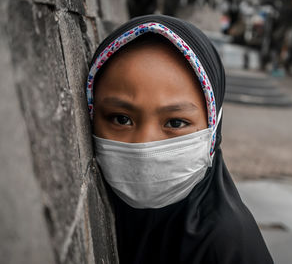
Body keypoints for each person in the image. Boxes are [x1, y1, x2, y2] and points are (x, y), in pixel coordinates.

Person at [86, 14, 274, 264]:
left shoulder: (225, 247)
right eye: (121, 119)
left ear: (213, 129)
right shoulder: (106, 208)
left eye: (175, 123)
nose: (144, 145)